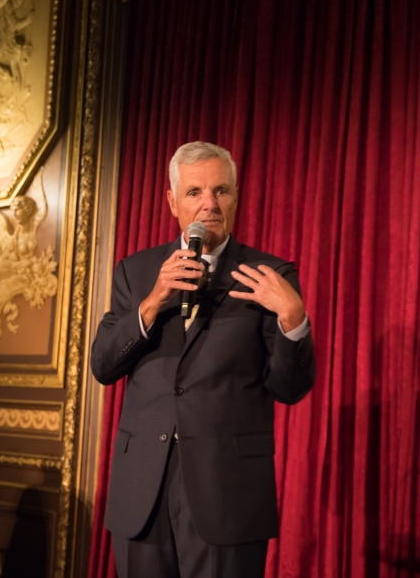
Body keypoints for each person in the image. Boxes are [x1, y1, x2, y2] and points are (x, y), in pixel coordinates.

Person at [91, 141, 315, 577]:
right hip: (143, 490)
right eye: (195, 192)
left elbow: (289, 389)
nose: (209, 204)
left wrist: (293, 317)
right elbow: (103, 365)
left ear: (235, 196)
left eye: (221, 191)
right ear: (173, 201)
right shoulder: (136, 273)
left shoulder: (268, 275)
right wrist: (154, 300)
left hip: (226, 492)